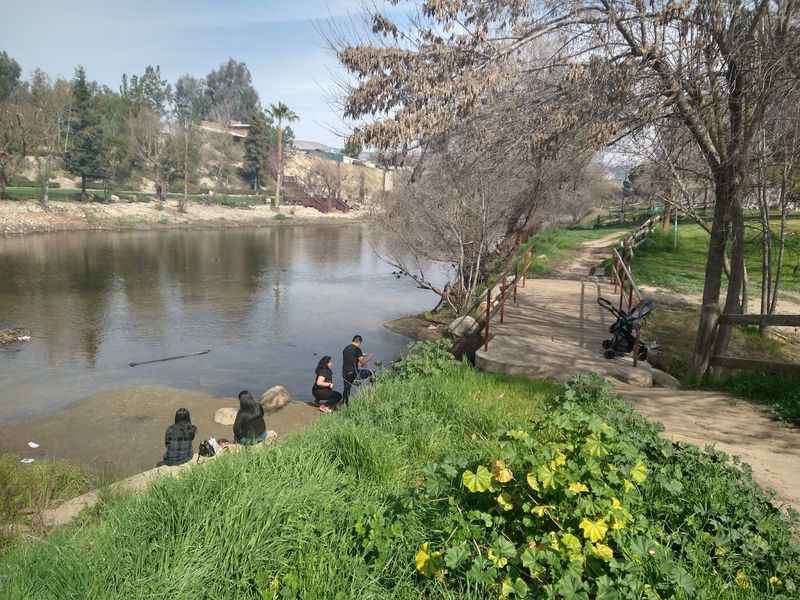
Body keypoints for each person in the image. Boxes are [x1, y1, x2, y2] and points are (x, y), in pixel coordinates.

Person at [342, 334, 373, 404]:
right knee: (371, 373)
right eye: (360, 344)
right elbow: (363, 361)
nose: (360, 345)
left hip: (345, 373)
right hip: (354, 373)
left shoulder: (346, 349)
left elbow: (352, 359)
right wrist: (369, 357)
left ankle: (345, 404)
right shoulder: (357, 349)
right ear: (359, 342)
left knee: (347, 389)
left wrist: (361, 355)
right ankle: (372, 393)